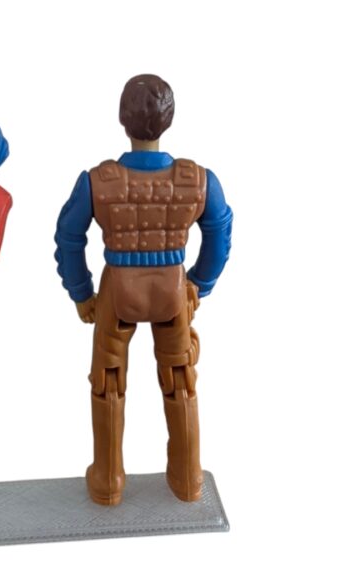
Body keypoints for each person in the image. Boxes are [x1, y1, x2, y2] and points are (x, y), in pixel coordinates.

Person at [55, 74, 233, 506]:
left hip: (118, 292)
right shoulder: (198, 180)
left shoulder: (97, 181)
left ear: (122, 119)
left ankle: (107, 482)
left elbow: (68, 236)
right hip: (172, 292)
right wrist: (199, 283)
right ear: (169, 119)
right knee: (180, 381)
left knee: (108, 384)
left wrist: (81, 292)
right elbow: (220, 229)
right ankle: (187, 478)